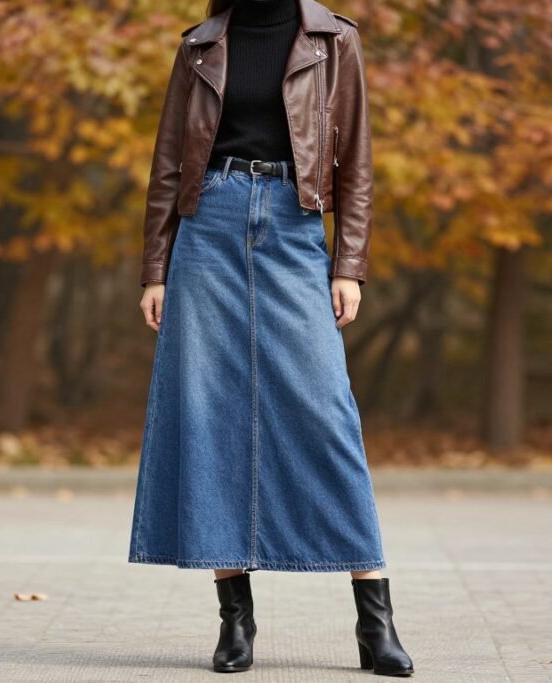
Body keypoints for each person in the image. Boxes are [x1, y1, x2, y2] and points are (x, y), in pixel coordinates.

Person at [128, 0, 413, 675]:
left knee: (326, 413)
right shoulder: (200, 43)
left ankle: (375, 621)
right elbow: (169, 163)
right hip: (209, 227)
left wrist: (349, 264)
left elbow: (356, 162)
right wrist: (156, 270)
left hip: (294, 224)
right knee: (210, 414)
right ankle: (235, 621)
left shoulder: (334, 38)